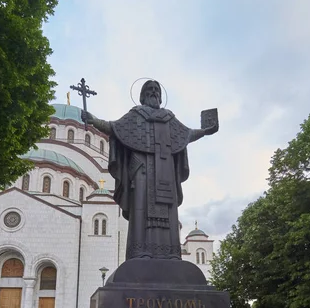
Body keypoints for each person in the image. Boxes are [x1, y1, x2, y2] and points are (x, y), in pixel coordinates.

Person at [82, 79, 218, 259]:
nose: (154, 92)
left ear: (161, 96)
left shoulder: (169, 118)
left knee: (169, 210)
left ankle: (171, 254)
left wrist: (205, 131)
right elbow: (115, 128)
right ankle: (140, 252)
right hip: (141, 167)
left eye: (156, 90)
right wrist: (93, 121)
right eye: (150, 89)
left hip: (165, 168)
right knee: (141, 206)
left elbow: (186, 134)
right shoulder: (135, 115)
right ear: (142, 95)